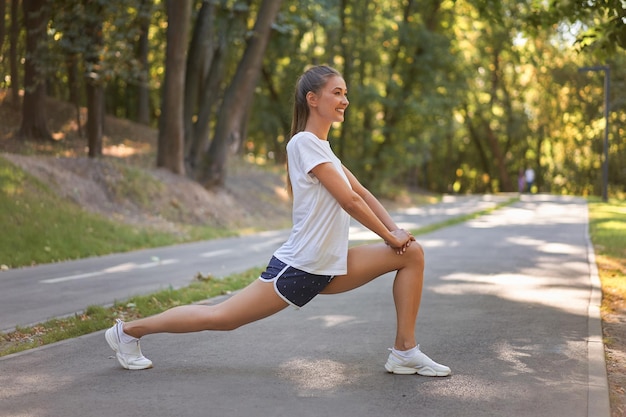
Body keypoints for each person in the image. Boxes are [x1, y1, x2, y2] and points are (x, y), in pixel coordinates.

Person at [105, 65, 451, 377]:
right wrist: (389, 237)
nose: (345, 99)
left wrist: (395, 232)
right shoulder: (303, 143)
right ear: (313, 99)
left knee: (413, 254)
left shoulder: (323, 148)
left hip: (331, 264)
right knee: (221, 318)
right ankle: (127, 332)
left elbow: (361, 190)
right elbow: (350, 200)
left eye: (345, 93)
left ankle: (404, 351)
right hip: (301, 266)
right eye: (337, 92)